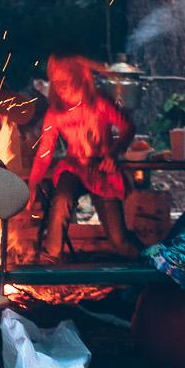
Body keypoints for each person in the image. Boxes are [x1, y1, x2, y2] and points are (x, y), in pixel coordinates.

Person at [27, 54, 137, 260]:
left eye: (67, 82)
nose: (63, 88)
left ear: (79, 79)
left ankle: (145, 261)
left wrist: (113, 153)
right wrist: (33, 183)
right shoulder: (55, 113)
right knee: (61, 199)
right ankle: (51, 256)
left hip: (102, 168)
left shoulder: (100, 104)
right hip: (74, 167)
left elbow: (128, 127)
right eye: (58, 83)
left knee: (119, 241)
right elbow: (45, 150)